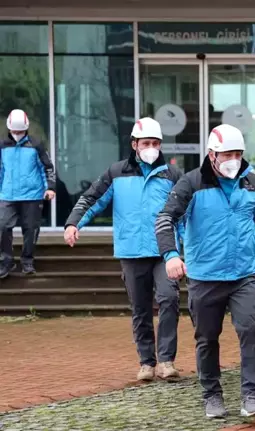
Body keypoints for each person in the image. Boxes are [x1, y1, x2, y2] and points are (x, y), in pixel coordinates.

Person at [155, 123, 255, 420]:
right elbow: (165, 219)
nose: (233, 159)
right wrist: (171, 254)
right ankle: (212, 395)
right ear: (212, 155)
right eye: (227, 153)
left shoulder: (252, 183)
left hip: (243, 276)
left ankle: (251, 395)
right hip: (205, 278)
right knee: (207, 338)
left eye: (238, 153)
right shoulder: (191, 183)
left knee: (252, 329)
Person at [64, 117, 183, 382]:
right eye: (146, 143)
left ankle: (166, 360)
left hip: (164, 251)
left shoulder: (172, 175)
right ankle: (146, 363)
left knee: (169, 299)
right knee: (140, 308)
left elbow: (183, 214)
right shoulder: (116, 173)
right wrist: (74, 223)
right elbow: (92, 199)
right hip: (131, 252)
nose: (151, 147)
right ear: (134, 144)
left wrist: (185, 248)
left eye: (155, 143)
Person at [0, 109, 55, 278]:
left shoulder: (36, 145)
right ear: (9, 129)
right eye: (15, 131)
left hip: (32, 195)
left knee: (31, 229)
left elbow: (47, 167)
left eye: (20, 131)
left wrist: (50, 187)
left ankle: (27, 260)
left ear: (26, 129)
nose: (17, 134)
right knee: (2, 227)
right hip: (7, 195)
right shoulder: (3, 146)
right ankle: (6, 262)